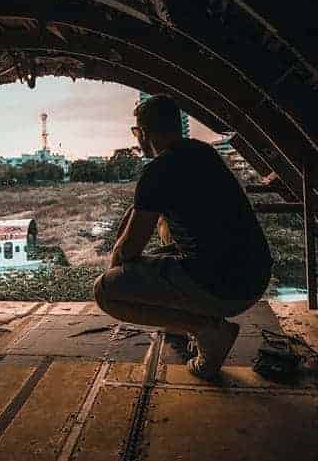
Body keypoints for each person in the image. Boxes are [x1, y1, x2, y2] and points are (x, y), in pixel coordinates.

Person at [93, 94, 273, 379]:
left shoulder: (158, 169)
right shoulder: (203, 153)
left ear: (143, 133)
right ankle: (193, 320)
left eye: (137, 132)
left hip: (224, 289)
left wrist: (116, 266)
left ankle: (206, 329)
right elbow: (144, 212)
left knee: (105, 291)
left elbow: (129, 250)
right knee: (164, 238)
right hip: (255, 278)